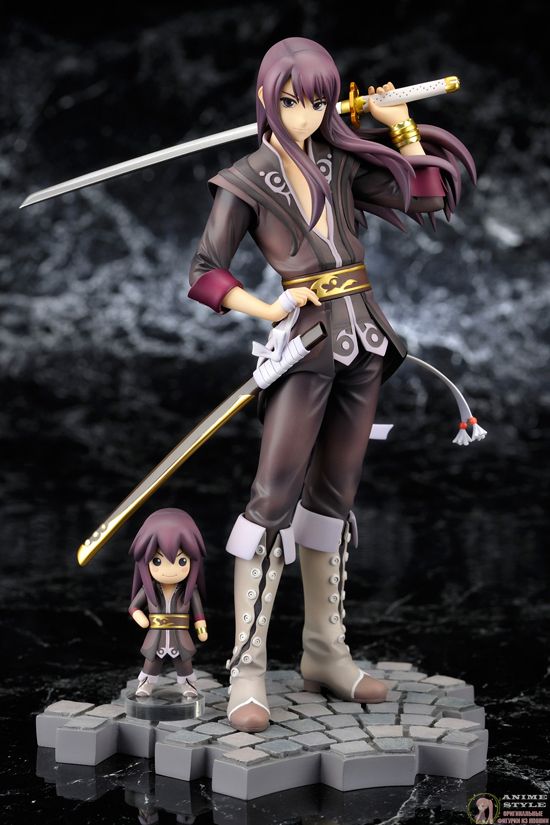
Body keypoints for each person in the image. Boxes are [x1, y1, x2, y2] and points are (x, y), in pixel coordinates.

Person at [188, 37, 476, 732]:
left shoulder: (339, 162)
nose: (306, 116)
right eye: (292, 102)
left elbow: (427, 196)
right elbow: (204, 272)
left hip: (366, 342)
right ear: (267, 98)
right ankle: (248, 668)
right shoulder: (246, 178)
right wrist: (269, 308)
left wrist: (400, 126)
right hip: (304, 347)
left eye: (318, 103)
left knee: (334, 499)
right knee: (271, 500)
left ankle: (324, 651)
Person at [128, 508, 208, 698]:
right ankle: (146, 684)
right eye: (157, 561)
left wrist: (201, 628)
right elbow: (133, 606)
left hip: (180, 635)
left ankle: (188, 685)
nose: (169, 570)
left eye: (181, 561)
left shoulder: (190, 590)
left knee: (184, 663)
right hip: (156, 634)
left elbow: (198, 613)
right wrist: (140, 617)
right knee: (151, 662)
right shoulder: (150, 589)